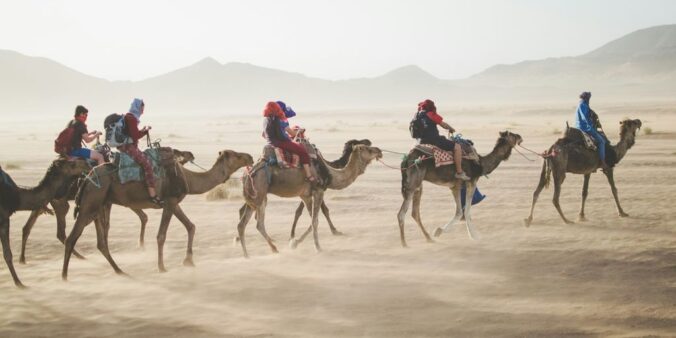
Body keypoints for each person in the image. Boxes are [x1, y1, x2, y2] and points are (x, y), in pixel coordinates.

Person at [117, 98, 163, 206]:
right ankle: (153, 195)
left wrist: (142, 130)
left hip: (126, 146)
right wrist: (144, 131)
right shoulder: (131, 118)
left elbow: (133, 134)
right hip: (128, 147)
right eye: (142, 107)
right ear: (138, 107)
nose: (143, 110)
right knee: (147, 164)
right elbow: (135, 136)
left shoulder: (130, 117)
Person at [415, 99, 470, 181]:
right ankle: (459, 172)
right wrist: (451, 129)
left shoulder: (418, 114)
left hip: (421, 141)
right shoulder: (431, 114)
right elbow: (443, 125)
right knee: (457, 147)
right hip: (434, 140)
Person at [262, 101, 316, 182]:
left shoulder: (266, 119)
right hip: (280, 142)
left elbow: (263, 135)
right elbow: (283, 136)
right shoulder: (278, 120)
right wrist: (293, 137)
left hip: (270, 143)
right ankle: (309, 175)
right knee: (302, 151)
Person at [574, 91, 608, 168]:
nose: (589, 99)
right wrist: (591, 125)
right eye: (589, 98)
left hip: (582, 126)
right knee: (601, 141)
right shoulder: (582, 105)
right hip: (585, 128)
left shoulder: (583, 104)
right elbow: (584, 117)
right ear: (586, 98)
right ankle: (602, 161)